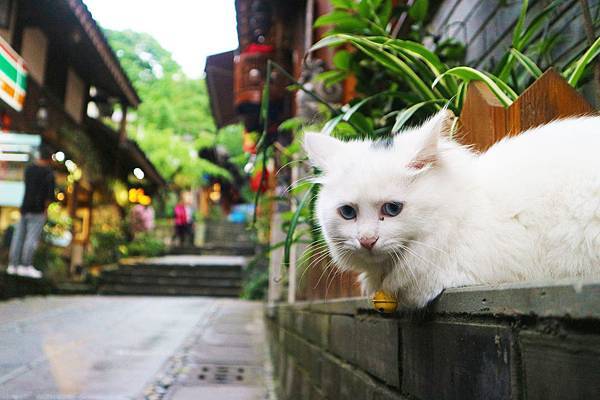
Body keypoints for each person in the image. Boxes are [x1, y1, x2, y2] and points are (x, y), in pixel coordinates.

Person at [7, 145, 55, 278]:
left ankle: (13, 265)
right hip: (38, 210)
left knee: (18, 237)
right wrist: (45, 211)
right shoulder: (48, 174)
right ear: (49, 159)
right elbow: (49, 196)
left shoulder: (29, 170)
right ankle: (26, 265)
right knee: (31, 239)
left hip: (25, 207)